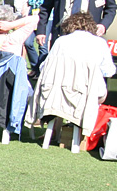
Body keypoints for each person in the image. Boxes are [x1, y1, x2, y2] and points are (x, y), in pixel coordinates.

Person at [27, 11, 115, 148]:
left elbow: (45, 66)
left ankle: (55, 131)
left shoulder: (61, 41)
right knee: (95, 92)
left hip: (57, 94)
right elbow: (109, 71)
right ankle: (82, 135)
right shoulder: (100, 43)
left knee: (62, 90)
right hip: (85, 94)